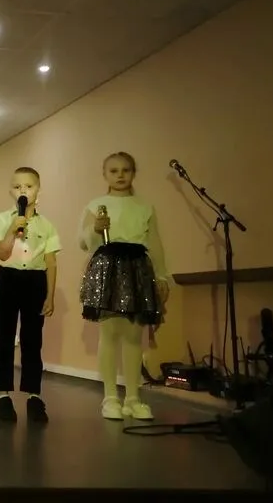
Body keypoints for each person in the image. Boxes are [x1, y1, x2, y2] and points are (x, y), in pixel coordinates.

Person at [79, 152, 170, 421]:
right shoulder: (96, 205)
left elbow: (155, 243)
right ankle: (110, 397)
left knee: (133, 335)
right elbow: (83, 242)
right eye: (114, 171)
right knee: (109, 334)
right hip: (108, 266)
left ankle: (133, 398)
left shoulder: (145, 206)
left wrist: (162, 276)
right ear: (105, 174)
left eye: (126, 170)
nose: (120, 175)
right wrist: (95, 229)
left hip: (136, 267)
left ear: (133, 173)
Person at [0, 167, 60, 423]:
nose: (23, 191)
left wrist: (50, 295)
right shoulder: (1, 219)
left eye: (29, 186)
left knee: (32, 338)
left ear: (38, 190)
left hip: (35, 280)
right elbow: (2, 253)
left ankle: (34, 396)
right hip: (8, 278)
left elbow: (51, 262)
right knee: (3, 335)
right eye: (18, 187)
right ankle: (2, 396)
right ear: (11, 191)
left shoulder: (47, 225)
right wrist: (12, 229)